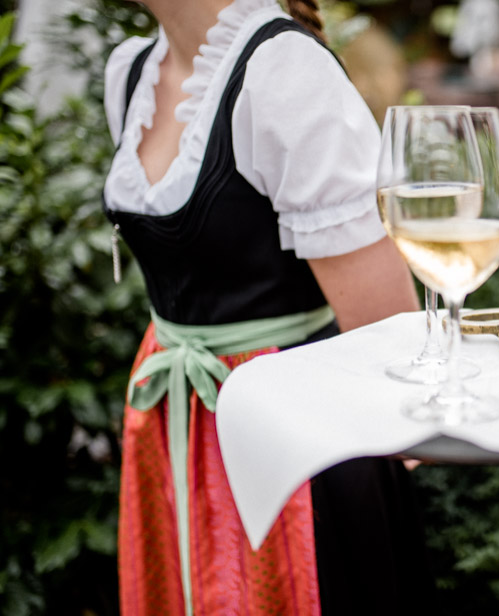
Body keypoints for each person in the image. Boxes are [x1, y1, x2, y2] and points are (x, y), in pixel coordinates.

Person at [101, 0, 436, 614]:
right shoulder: (130, 73)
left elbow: (389, 337)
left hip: (288, 443)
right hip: (172, 420)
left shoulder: (284, 74)